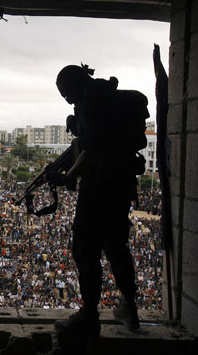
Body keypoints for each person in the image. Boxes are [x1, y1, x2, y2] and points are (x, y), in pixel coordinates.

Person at [49, 64, 149, 336]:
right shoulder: (109, 100)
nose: (66, 99)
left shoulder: (90, 105)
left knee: (84, 247)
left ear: (74, 84)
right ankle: (130, 307)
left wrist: (68, 175)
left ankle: (90, 315)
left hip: (99, 186)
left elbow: (91, 150)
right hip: (122, 184)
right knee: (116, 245)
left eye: (65, 92)